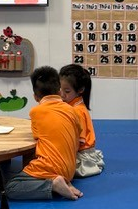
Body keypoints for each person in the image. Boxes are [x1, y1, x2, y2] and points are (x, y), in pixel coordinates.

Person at [5, 66, 83, 201]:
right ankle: (63, 181)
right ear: (59, 91)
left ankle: (53, 185)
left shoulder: (36, 112)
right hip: (70, 170)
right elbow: (78, 134)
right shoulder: (72, 110)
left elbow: (36, 137)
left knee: (11, 188)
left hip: (49, 167)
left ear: (35, 97)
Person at [59, 63, 105, 178]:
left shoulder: (77, 111)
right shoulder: (71, 105)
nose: (62, 94)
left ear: (80, 90)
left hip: (81, 155)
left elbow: (79, 141)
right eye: (59, 89)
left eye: (67, 91)